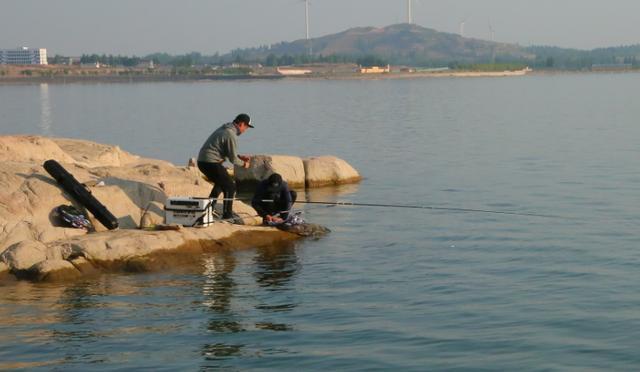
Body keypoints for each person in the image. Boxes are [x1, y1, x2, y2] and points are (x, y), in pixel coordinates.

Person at [197, 113, 253, 220]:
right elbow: (233, 160)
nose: (245, 130)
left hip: (203, 161)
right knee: (230, 187)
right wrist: (244, 164)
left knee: (220, 183)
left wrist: (240, 157)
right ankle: (227, 215)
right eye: (246, 127)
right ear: (241, 124)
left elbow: (226, 150)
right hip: (210, 162)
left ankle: (208, 210)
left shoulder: (226, 128)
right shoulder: (231, 134)